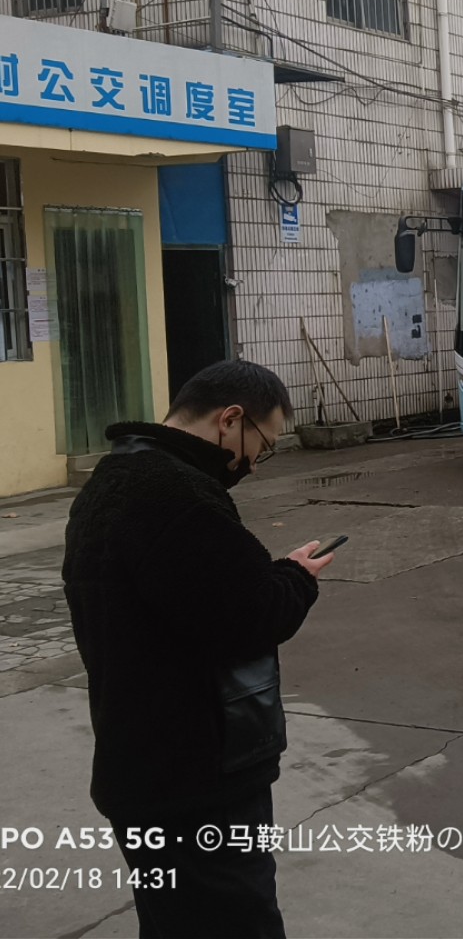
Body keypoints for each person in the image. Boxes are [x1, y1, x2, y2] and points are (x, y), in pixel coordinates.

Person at [62, 360, 332, 938]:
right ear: (230, 420)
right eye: (262, 446)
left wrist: (270, 572)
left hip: (140, 770)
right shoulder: (177, 496)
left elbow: (199, 596)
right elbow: (250, 615)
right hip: (198, 786)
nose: (255, 464)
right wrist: (297, 578)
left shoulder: (112, 481)